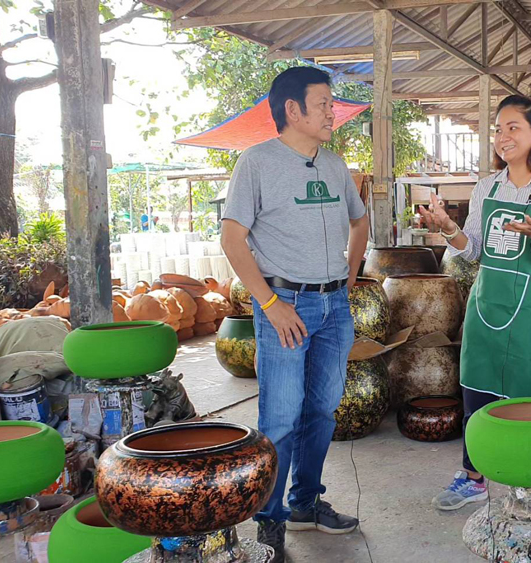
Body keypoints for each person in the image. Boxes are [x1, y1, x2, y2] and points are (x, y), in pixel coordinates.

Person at [220, 66, 370, 563]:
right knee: (280, 420)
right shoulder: (256, 163)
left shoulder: (334, 163)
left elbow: (359, 217)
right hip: (285, 306)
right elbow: (232, 239)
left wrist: (349, 275)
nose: (333, 112)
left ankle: (304, 503)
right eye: (323, 103)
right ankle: (268, 523)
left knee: (322, 411)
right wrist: (269, 303)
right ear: (292, 110)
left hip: (333, 307)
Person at [419, 95, 531, 510]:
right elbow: (472, 249)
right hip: (488, 307)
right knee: (477, 394)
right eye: (498, 129)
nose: (502, 137)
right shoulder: (487, 188)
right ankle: (473, 477)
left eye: (513, 128)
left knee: (530, 399)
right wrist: (448, 228)